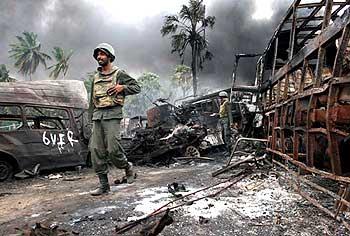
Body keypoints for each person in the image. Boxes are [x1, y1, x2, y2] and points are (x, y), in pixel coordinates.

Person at [89, 43, 141, 196]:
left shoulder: (119, 73)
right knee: (95, 150)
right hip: (98, 116)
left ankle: (127, 166)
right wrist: (89, 119)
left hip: (113, 114)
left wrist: (122, 88)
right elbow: (91, 99)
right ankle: (104, 185)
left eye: (102, 54)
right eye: (98, 54)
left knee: (113, 149)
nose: (99, 57)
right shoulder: (95, 77)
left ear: (109, 57)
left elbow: (137, 87)